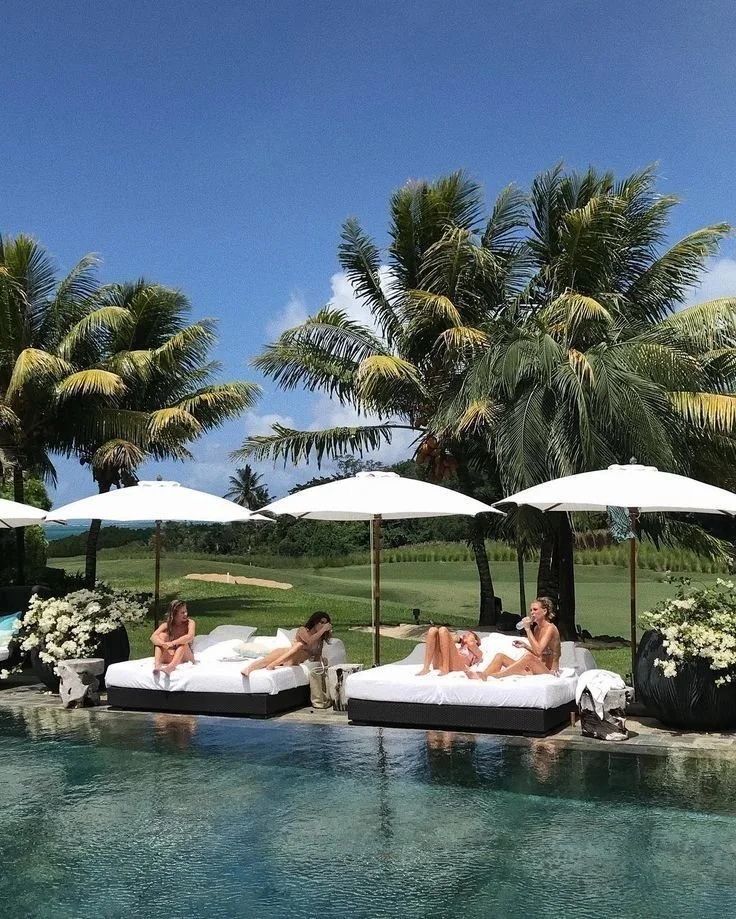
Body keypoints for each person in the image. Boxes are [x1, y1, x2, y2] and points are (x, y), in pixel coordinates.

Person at [467, 596, 560, 680]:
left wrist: (527, 629)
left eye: (535, 610)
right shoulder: (537, 628)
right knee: (500, 656)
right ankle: (484, 675)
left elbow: (538, 651)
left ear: (544, 611)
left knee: (528, 657)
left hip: (548, 671)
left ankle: (495, 676)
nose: (532, 613)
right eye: (531, 610)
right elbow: (540, 652)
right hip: (534, 669)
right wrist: (525, 646)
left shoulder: (550, 628)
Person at [241, 612, 333, 677]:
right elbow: (309, 641)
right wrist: (322, 631)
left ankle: (273, 664)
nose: (323, 626)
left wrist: (322, 663)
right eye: (321, 622)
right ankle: (249, 669)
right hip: (286, 653)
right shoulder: (303, 630)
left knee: (299, 647)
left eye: (326, 623)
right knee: (298, 646)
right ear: (314, 622)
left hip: (294, 660)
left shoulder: (320, 640)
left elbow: (316, 657)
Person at [151, 600, 196, 674]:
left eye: (186, 611)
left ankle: (171, 667)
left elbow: (190, 636)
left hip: (185, 656)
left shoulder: (190, 623)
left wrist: (173, 643)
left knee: (183, 643)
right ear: (174, 614)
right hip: (170, 653)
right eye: (182, 613)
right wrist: (163, 644)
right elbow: (153, 637)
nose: (186, 614)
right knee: (161, 637)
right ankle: (157, 665)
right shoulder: (167, 625)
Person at [417, 626, 482, 676]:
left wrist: (468, 641)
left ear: (476, 641)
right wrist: (459, 640)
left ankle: (446, 668)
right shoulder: (458, 649)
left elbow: (471, 645)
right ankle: (426, 668)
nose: (465, 635)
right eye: (465, 634)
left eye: (469, 635)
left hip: (457, 666)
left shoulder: (478, 653)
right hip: (439, 664)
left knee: (443, 630)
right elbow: (446, 641)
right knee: (432, 630)